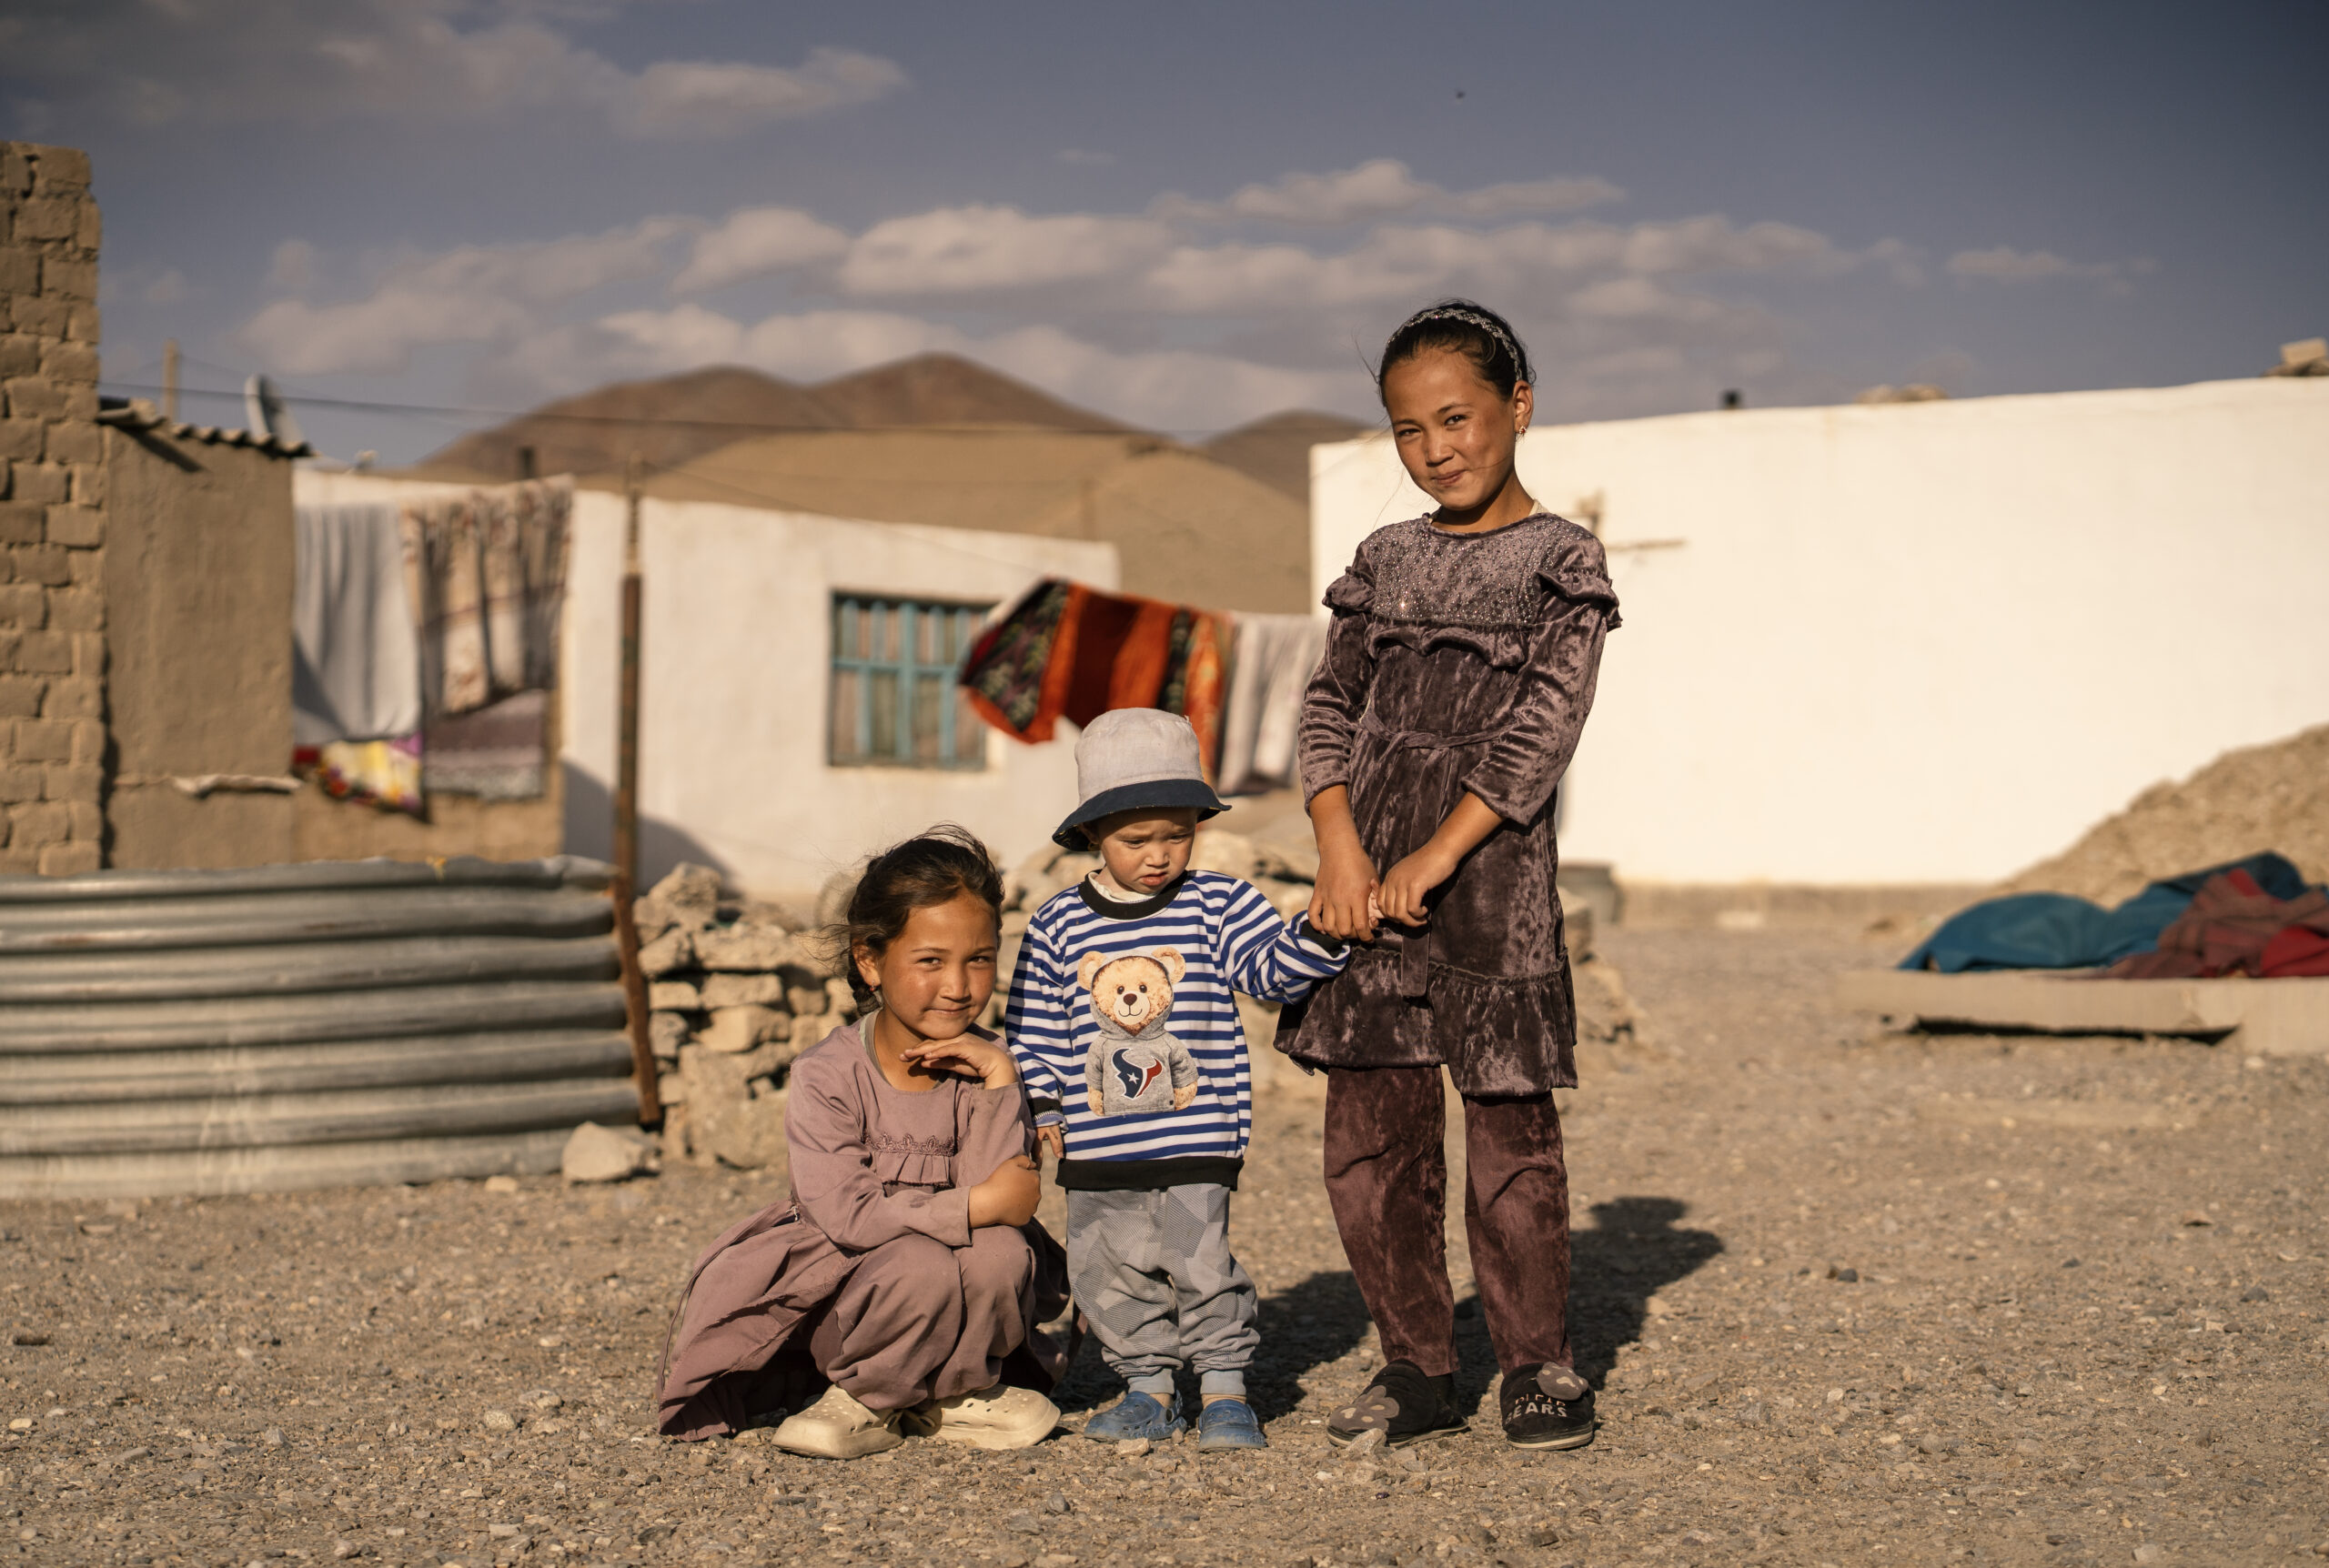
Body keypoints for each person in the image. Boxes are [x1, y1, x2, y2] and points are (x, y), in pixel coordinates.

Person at [1288, 299, 1618, 1452]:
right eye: (1407, 429)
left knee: (1509, 1136)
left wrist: (1435, 853)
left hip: (1490, 890)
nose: (1435, 449)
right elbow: (1328, 703)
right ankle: (1415, 1365)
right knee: (1369, 1143)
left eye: (1456, 418)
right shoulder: (1383, 560)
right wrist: (1338, 843)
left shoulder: (1561, 561)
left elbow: (1542, 728)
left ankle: (1536, 1363)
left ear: (1517, 407)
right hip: (1365, 889)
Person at [655, 828, 1069, 1457]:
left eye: (980, 959)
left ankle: (956, 1394)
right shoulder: (827, 1074)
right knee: (919, 1264)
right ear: (870, 962)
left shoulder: (990, 1065)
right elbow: (854, 1216)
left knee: (1002, 1255)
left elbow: (1006, 1200)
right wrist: (974, 1206)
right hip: (855, 1299)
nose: (959, 986)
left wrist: (999, 1080)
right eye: (930, 961)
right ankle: (864, 1396)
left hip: (952, 1289)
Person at [1004, 708, 1348, 1451]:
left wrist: (1322, 932)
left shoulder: (1218, 904)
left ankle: (1224, 1390)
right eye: (1136, 840)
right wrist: (1043, 1104)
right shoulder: (1056, 925)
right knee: (1109, 1271)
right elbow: (1033, 1029)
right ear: (1093, 833)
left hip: (1195, 1144)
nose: (1159, 855)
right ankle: (1149, 1390)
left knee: (1199, 1260)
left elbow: (1270, 973)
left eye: (1178, 834)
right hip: (1099, 1154)